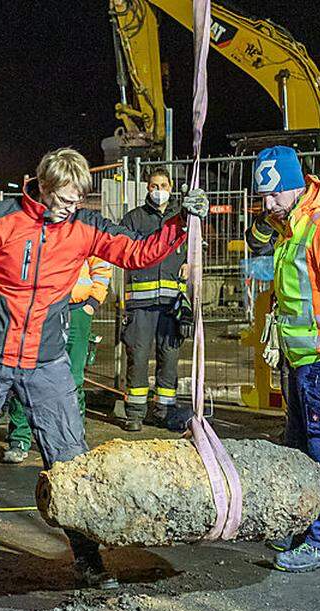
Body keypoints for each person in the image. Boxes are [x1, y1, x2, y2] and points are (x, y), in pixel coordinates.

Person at [0, 148, 209, 602]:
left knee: (72, 467)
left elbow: (138, 252)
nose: (71, 207)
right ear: (42, 188)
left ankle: (88, 560)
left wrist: (182, 222)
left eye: (78, 199)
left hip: (47, 363)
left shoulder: (84, 226)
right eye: (64, 198)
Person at [245, 145, 320, 573]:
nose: (266, 205)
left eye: (272, 196)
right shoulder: (293, 224)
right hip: (301, 362)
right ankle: (304, 529)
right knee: (300, 450)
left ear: (295, 186)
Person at [1, 256, 112, 463]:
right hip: (40, 310)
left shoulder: (84, 228)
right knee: (26, 373)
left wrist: (93, 302)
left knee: (74, 378)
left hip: (78, 310)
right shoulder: (33, 227)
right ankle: (19, 439)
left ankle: (74, 440)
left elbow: (102, 266)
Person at [120, 168, 189, 431]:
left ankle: (163, 410)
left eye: (162, 185)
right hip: (140, 304)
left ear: (171, 187)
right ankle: (135, 414)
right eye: (153, 185)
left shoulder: (181, 219)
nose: (158, 190)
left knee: (169, 357)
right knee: (137, 356)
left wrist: (191, 264)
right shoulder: (133, 219)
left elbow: (195, 248)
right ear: (147, 188)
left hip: (171, 304)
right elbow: (122, 251)